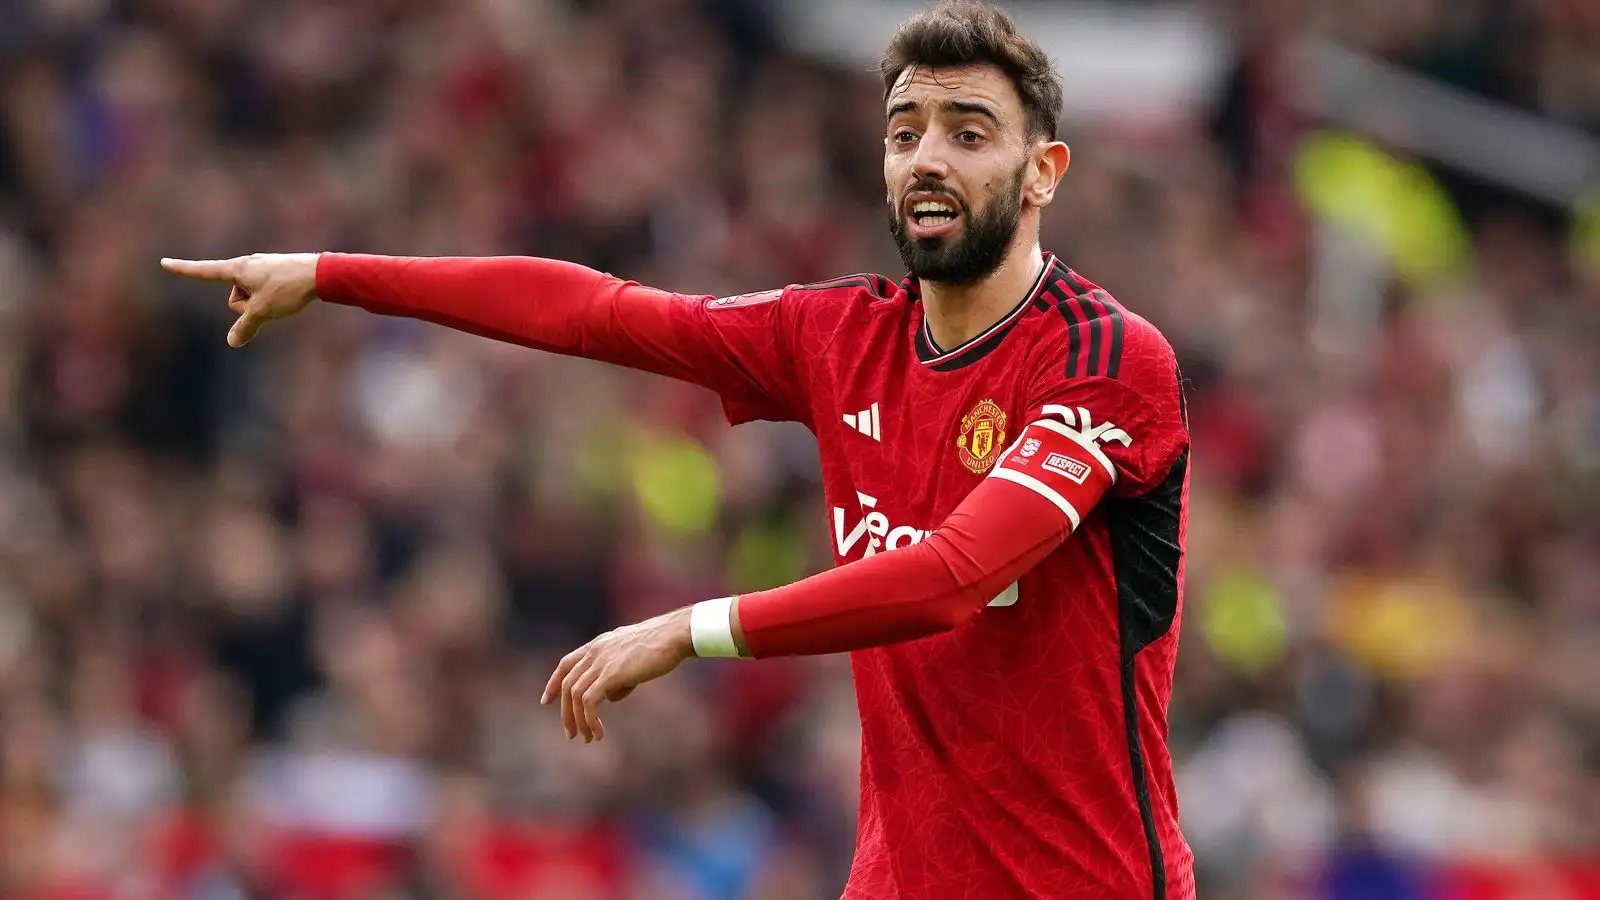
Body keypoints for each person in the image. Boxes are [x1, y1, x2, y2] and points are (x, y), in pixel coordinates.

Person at [161, 2, 1195, 896]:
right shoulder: (840, 337)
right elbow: (593, 313)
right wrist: (335, 273)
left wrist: (690, 630)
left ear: (1041, 172)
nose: (926, 157)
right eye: (904, 132)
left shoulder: (1104, 360)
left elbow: (949, 581)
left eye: (969, 134)